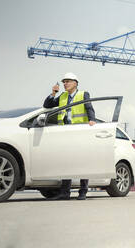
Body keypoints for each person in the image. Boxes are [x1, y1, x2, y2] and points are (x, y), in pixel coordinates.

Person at [43, 72, 96, 200]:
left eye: (68, 81)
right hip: (65, 133)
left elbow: (89, 108)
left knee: (82, 162)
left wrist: (92, 120)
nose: (65, 84)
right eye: (64, 82)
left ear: (75, 83)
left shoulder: (83, 94)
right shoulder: (62, 96)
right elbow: (47, 105)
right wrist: (53, 93)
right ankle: (65, 192)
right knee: (66, 161)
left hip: (80, 132)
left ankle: (83, 191)